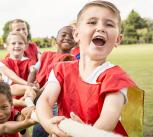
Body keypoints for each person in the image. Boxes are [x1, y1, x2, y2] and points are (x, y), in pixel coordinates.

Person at [36, 1, 143, 136]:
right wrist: (48, 124)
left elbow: (108, 119)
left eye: (109, 24)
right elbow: (45, 100)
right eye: (92, 22)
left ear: (118, 39)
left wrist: (85, 133)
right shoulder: (60, 70)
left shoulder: (116, 77)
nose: (100, 28)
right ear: (76, 34)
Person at [32, 25, 76, 137]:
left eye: (71, 36)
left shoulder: (70, 60)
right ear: (56, 39)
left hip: (55, 101)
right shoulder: (46, 55)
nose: (67, 37)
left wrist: (37, 93)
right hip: (41, 97)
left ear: (75, 41)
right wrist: (30, 83)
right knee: (39, 128)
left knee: (46, 126)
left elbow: (53, 82)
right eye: (63, 34)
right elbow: (34, 70)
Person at [0, 32, 37, 111]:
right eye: (13, 43)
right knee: (12, 88)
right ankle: (27, 104)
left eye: (20, 43)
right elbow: (12, 76)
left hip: (26, 94)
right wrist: (27, 84)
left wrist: (34, 80)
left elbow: (33, 70)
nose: (17, 46)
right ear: (7, 46)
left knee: (32, 89)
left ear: (26, 46)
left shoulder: (30, 61)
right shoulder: (3, 63)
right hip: (9, 95)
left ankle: (29, 103)